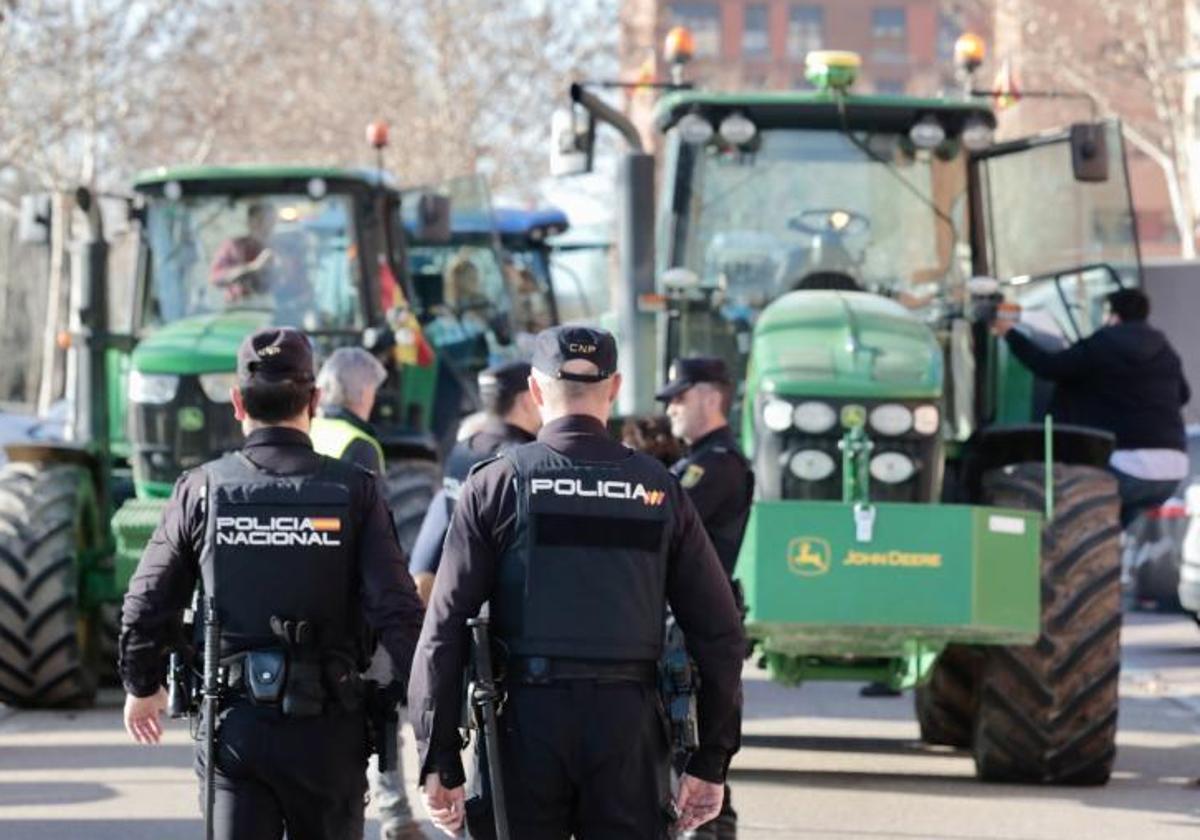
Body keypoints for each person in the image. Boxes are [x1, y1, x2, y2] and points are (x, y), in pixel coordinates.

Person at [409, 325, 745, 839]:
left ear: (536, 390)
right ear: (614, 388)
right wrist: (710, 759)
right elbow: (719, 634)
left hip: (522, 727)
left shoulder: (497, 483)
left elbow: (444, 628)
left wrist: (439, 758)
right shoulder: (661, 489)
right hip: (628, 730)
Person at [119, 327, 425, 840]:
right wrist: (433, 729)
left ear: (236, 402)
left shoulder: (202, 489)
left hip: (234, 731)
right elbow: (398, 612)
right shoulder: (355, 491)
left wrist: (141, 684)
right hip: (329, 732)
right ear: (315, 399)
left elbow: (146, 600)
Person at [311, 347, 423, 840]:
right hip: (351, 602)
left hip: (304, 594)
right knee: (381, 703)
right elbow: (374, 534)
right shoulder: (360, 445)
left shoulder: (309, 430)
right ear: (364, 393)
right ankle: (395, 811)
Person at [993, 287, 1191, 528]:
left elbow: (1049, 367)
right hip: (1172, 472)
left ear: (1113, 316)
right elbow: (1183, 395)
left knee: (1060, 518)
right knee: (1117, 541)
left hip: (1125, 466)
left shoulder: (1102, 344)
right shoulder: (1165, 351)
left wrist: (1009, 334)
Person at [656, 357, 753, 840]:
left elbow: (660, 523)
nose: (671, 406)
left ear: (711, 398)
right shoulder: (697, 462)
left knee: (686, 742)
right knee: (685, 744)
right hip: (683, 620)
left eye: (680, 395)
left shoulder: (716, 466)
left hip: (694, 623)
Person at [408, 360, 541, 604]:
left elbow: (429, 559)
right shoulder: (526, 460)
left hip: (459, 602)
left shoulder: (460, 453)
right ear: (526, 400)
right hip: (511, 610)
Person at [210, 202, 276, 301]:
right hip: (242, 307)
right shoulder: (234, 246)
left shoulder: (286, 247)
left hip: (280, 310)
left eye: (270, 221)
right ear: (250, 222)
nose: (265, 226)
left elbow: (299, 288)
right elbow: (217, 278)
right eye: (260, 220)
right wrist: (252, 267)